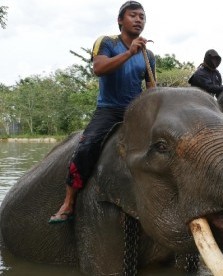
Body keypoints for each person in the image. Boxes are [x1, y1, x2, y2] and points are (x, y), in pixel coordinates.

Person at [49, 1, 156, 223]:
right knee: (87, 146)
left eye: (142, 17)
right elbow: (99, 68)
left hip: (134, 112)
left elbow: (151, 89)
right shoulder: (107, 42)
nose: (138, 20)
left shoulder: (148, 55)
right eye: (133, 15)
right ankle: (68, 202)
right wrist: (129, 52)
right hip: (109, 110)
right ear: (120, 20)